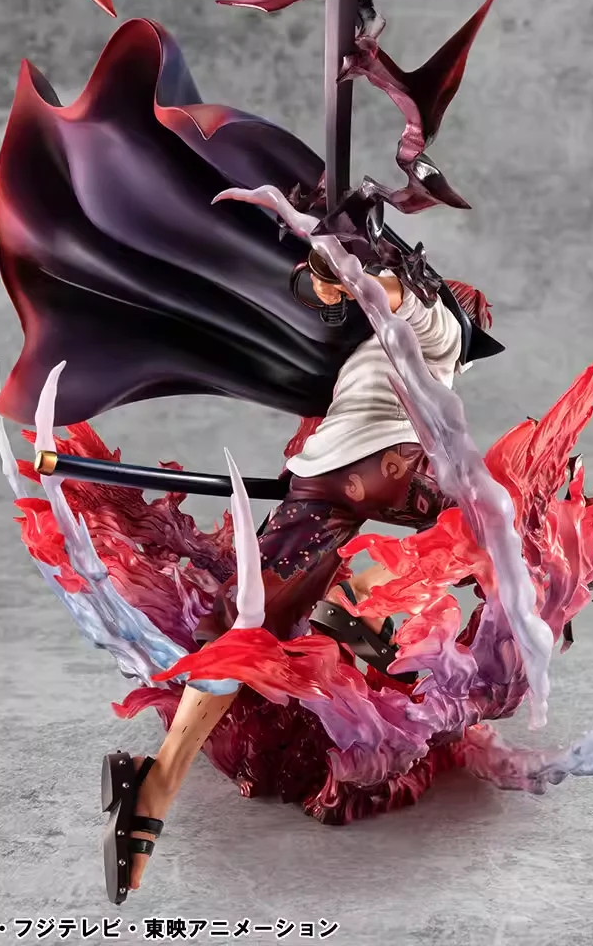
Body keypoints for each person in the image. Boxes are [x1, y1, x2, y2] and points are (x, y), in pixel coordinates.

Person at [116, 249, 474, 894]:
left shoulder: (391, 350)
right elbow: (390, 292)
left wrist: (334, 283)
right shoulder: (441, 325)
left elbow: (371, 297)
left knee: (248, 619)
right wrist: (339, 275)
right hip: (380, 474)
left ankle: (157, 783)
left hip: (336, 478)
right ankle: (358, 601)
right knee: (487, 526)